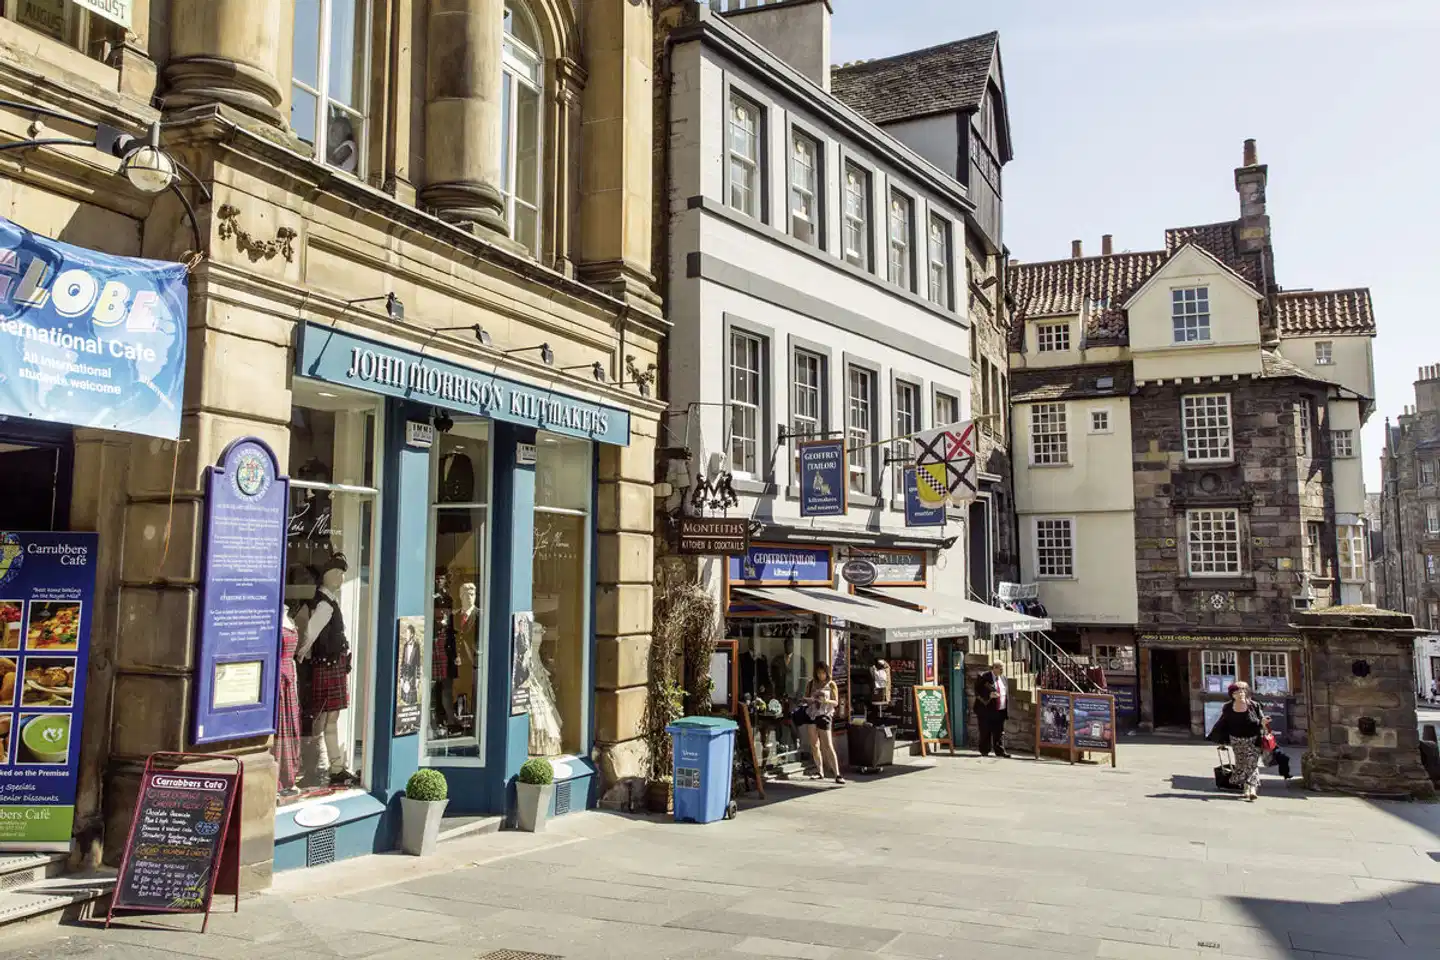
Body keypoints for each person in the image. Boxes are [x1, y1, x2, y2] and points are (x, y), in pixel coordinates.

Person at [1206, 680, 1266, 801]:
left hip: (1253, 739)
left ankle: (1252, 789)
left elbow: (1261, 720)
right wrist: (1222, 741)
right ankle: (1245, 787)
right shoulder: (1228, 707)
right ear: (1232, 694)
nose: (1241, 693)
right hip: (1237, 740)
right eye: (1238, 691)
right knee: (1242, 764)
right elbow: (1223, 724)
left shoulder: (1254, 705)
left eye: (1243, 690)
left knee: (1252, 764)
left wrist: (1264, 722)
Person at [803, 663, 844, 784]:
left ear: (827, 672)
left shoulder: (831, 684)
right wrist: (810, 700)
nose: (821, 675)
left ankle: (837, 773)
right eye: (819, 673)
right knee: (814, 744)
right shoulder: (811, 683)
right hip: (812, 715)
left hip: (825, 715)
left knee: (828, 745)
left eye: (823, 672)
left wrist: (826, 701)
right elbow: (805, 698)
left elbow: (836, 702)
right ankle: (819, 771)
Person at [973, 661, 1009, 757]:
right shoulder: (984, 677)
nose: (1002, 671)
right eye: (1000, 669)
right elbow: (977, 691)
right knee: (985, 730)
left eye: (1003, 669)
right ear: (994, 668)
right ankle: (984, 751)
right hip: (986, 710)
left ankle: (1000, 751)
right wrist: (988, 695)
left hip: (1000, 710)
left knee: (999, 732)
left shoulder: (1004, 678)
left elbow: (1005, 692)